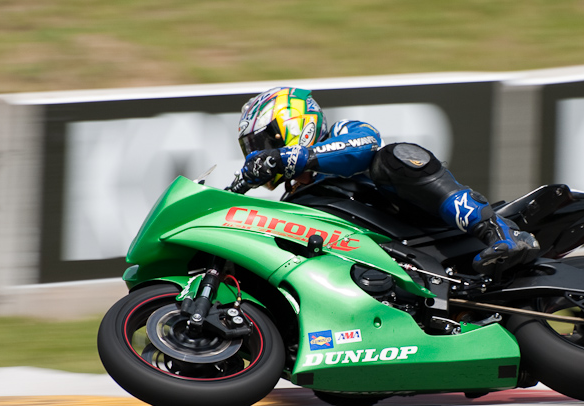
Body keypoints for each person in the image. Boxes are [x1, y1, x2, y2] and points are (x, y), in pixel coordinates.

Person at [230, 87, 539, 274]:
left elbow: (367, 142)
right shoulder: (294, 198)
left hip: (419, 224)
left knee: (392, 157)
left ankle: (498, 232)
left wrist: (290, 157)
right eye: (254, 150)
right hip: (381, 256)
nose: (260, 154)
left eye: (264, 144)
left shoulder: (343, 132)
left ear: (291, 123)